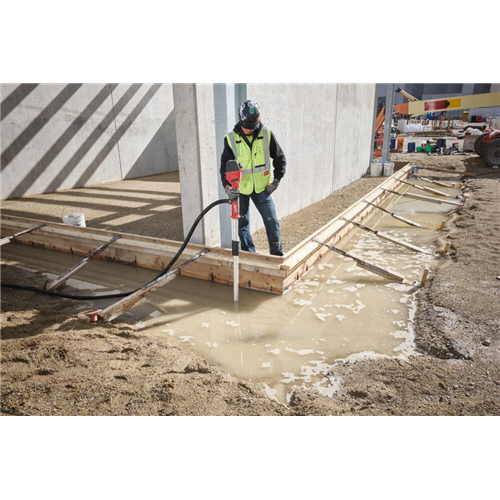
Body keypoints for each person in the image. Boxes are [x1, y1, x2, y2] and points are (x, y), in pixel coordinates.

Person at [220, 100, 286, 256]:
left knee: (272, 221)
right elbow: (224, 168)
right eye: (246, 127)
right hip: (240, 189)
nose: (249, 130)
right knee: (242, 224)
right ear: (240, 120)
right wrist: (228, 188)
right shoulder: (230, 139)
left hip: (263, 188)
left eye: (252, 127)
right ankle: (249, 255)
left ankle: (276, 255)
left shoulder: (266, 134)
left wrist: (276, 181)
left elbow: (280, 159)